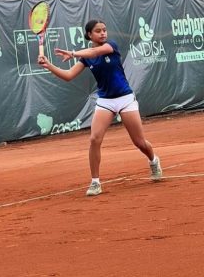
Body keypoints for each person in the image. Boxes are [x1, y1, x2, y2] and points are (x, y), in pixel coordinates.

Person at [38, 19, 162, 196]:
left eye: (104, 30)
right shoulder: (86, 58)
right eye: (98, 31)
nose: (103, 33)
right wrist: (48, 65)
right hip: (105, 101)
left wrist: (72, 53)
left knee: (139, 142)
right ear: (89, 34)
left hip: (125, 98)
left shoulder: (111, 46)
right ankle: (95, 182)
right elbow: (68, 75)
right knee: (94, 139)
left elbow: (95, 51)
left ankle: (153, 160)